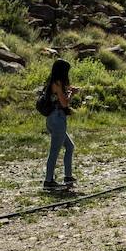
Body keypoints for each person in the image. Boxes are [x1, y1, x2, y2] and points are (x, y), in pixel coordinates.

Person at [42, 59, 76, 190]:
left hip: (52, 119)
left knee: (70, 146)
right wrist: (72, 94)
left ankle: (68, 176)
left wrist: (68, 91)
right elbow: (64, 103)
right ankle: (48, 180)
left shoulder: (52, 82)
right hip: (57, 120)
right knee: (54, 151)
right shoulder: (58, 83)